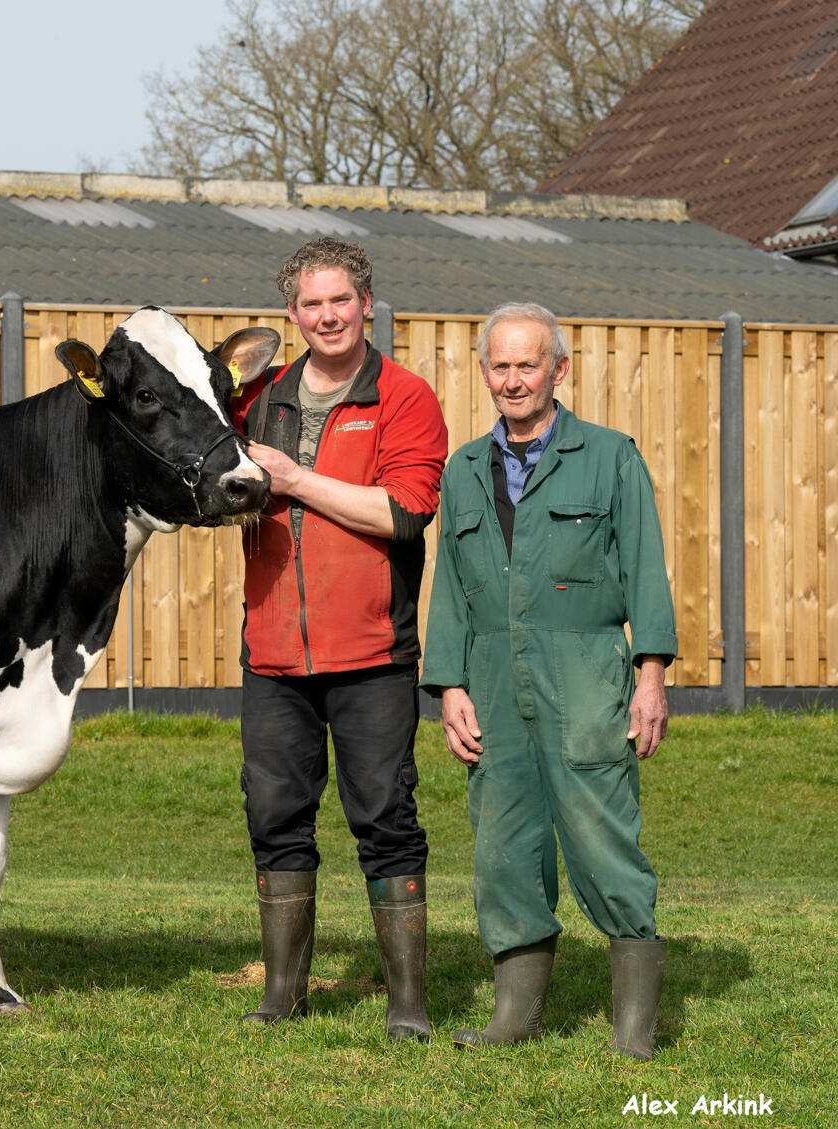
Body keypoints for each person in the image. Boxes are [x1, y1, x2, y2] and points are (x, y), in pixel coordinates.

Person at [420, 302, 675, 1060]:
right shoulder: (464, 470)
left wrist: (650, 676)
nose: (513, 380)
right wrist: (450, 686)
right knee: (504, 845)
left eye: (527, 364)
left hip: (585, 673)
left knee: (603, 839)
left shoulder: (610, 457)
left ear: (558, 369)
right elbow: (450, 588)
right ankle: (516, 1015)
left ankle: (634, 1029)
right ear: (484, 373)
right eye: (500, 366)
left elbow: (646, 570)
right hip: (492, 682)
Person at [230, 238, 448, 1040]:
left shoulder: (404, 397)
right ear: (291, 313)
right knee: (274, 815)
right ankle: (282, 993)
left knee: (386, 818)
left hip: (372, 654)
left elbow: (404, 511)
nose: (328, 316)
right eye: (311, 304)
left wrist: (292, 480)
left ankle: (407, 1005)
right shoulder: (258, 400)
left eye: (340, 301)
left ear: (367, 303)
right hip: (273, 654)